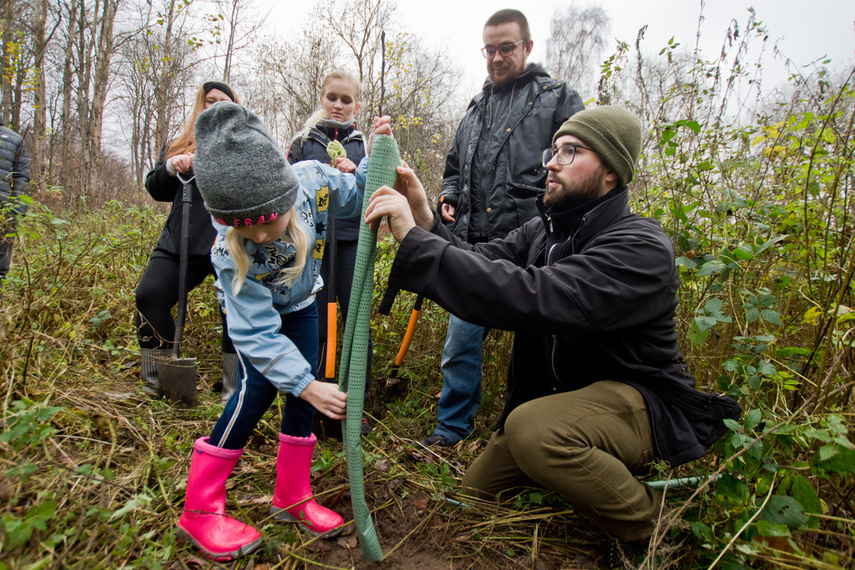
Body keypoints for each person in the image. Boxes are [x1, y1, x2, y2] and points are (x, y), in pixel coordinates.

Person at [365, 106, 741, 542]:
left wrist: (414, 240)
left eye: (570, 151)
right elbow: (480, 263)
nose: (550, 162)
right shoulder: (542, 233)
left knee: (533, 432)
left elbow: (532, 296)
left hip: (641, 403)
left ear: (611, 172)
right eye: (554, 149)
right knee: (474, 495)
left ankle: (658, 528)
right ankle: (569, 472)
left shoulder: (641, 246)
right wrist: (425, 220)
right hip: (565, 404)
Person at [175, 101, 391, 561]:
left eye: (262, 223)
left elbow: (356, 190)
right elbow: (255, 334)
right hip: (262, 323)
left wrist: (377, 152)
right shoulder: (228, 251)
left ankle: (292, 496)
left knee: (301, 391)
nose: (257, 238)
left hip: (304, 303)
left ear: (283, 197)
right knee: (253, 396)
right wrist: (308, 383)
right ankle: (199, 509)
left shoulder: (311, 180)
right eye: (241, 229)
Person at [425, 8, 585, 446]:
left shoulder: (558, 98)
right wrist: (449, 197)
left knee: (541, 351)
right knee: (460, 343)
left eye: (506, 47)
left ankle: (535, 439)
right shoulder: (476, 108)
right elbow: (455, 168)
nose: (497, 57)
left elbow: (580, 162)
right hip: (475, 247)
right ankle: (451, 431)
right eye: (489, 49)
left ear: (527, 48)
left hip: (536, 253)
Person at [137, 82, 241, 401]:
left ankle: (232, 391)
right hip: (179, 242)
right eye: (209, 101)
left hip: (229, 244)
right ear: (200, 104)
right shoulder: (181, 144)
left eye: (223, 103)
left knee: (236, 315)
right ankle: (158, 383)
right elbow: (157, 189)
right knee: (149, 296)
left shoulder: (242, 147)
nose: (215, 107)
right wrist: (172, 165)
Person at [287, 70, 372, 434]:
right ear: (322, 99)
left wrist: (355, 172)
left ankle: (353, 406)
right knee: (317, 323)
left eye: (346, 99)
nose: (338, 105)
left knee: (354, 323)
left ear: (356, 104)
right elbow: (285, 185)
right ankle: (317, 404)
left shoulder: (361, 144)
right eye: (332, 98)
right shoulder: (304, 140)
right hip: (313, 243)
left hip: (352, 240)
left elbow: (373, 186)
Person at [0, 119, 30, 308]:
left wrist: (17, 210)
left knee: (1, 267)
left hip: (5, 214)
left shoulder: (15, 140)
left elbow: (22, 177)